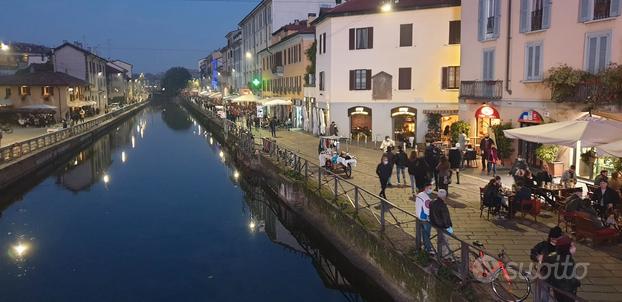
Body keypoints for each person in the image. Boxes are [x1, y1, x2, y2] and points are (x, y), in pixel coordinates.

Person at [543, 236, 581, 302]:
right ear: (567, 248)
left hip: (556, 288)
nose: (574, 248)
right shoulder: (569, 261)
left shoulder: (552, 257)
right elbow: (570, 280)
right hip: (567, 292)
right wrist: (577, 283)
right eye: (572, 246)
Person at [430, 189, 454, 260]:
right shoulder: (443, 206)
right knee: (445, 241)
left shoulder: (432, 202)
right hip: (442, 226)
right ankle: (445, 256)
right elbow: (445, 219)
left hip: (435, 224)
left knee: (440, 239)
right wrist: (449, 227)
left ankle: (440, 252)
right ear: (444, 197)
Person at [415, 183, 434, 254]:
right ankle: (428, 248)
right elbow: (426, 208)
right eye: (429, 188)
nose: (430, 189)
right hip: (425, 218)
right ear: (425, 188)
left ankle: (423, 246)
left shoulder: (419, 195)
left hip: (419, 217)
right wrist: (427, 217)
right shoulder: (425, 197)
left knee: (423, 233)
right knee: (426, 234)